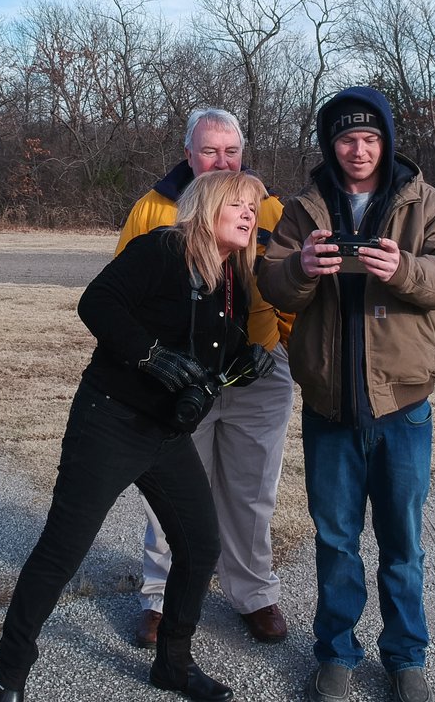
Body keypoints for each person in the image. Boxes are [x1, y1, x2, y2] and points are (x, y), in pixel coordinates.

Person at [0, 169, 277, 702]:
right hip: (110, 420)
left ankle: (174, 666)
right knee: (62, 550)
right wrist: (149, 356)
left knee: (200, 544)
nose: (249, 214)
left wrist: (242, 358)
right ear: (208, 205)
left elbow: (207, 346)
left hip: (166, 433)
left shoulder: (231, 276)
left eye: (253, 207)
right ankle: (8, 670)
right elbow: (97, 303)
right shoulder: (162, 249)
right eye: (238, 203)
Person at [256, 87, 435, 702]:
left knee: (402, 541)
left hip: (402, 408)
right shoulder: (303, 210)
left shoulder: (425, 202)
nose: (358, 149)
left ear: (387, 142)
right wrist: (300, 268)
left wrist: (402, 269)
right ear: (331, 144)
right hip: (330, 407)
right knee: (335, 540)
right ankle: (335, 654)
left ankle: (406, 657)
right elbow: (272, 281)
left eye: (370, 138)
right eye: (347, 138)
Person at [116, 108, 295, 647]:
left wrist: (277, 337)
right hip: (181, 374)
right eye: (210, 151)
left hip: (257, 371)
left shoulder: (269, 206)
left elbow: (291, 280)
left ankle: (252, 592)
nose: (222, 161)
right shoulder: (154, 210)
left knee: (252, 488)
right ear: (188, 153)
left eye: (232, 152)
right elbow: (124, 294)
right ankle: (159, 596)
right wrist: (155, 360)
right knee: (170, 489)